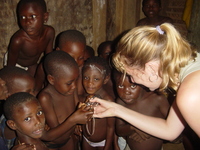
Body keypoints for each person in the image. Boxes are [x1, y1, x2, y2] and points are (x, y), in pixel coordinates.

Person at [90, 23, 200, 141]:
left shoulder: (190, 95)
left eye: (131, 74)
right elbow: (169, 130)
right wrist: (115, 110)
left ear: (151, 69)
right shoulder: (188, 66)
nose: (132, 80)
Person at [38, 51, 92, 150]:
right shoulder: (45, 98)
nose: (74, 86)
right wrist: (74, 120)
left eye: (76, 80)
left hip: (69, 137)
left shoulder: (70, 89)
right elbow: (55, 137)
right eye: (69, 83)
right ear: (51, 79)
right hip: (53, 144)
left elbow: (77, 107)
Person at [5, 0, 55, 93]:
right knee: (25, 87)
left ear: (45, 17)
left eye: (33, 16)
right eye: (23, 17)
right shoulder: (18, 40)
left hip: (32, 64)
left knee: (41, 81)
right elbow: (10, 67)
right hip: (16, 66)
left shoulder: (49, 32)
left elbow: (49, 58)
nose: (27, 22)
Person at [114, 71, 170, 150]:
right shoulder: (120, 102)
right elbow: (119, 130)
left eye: (133, 86)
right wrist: (133, 128)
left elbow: (172, 127)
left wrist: (148, 129)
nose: (126, 92)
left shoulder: (157, 99)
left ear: (142, 83)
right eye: (120, 86)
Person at [81, 56, 117, 150]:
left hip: (102, 142)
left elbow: (110, 127)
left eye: (96, 79)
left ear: (105, 79)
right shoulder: (84, 96)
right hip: (86, 140)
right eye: (86, 77)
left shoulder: (107, 101)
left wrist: (107, 146)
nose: (89, 83)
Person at [0, 66, 36, 150]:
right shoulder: (10, 121)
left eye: (33, 90)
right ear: (8, 95)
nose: (33, 95)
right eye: (27, 92)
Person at [56, 29, 86, 96]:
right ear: (58, 51)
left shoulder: (81, 68)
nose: (76, 62)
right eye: (71, 58)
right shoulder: (50, 66)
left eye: (81, 58)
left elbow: (79, 93)